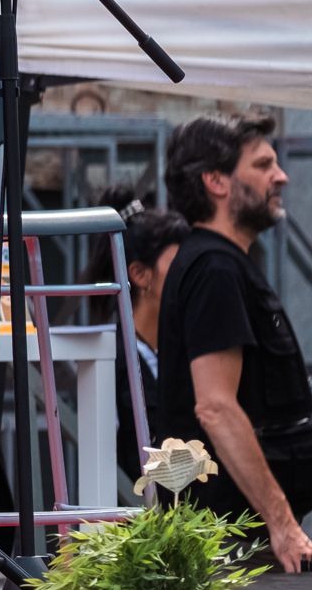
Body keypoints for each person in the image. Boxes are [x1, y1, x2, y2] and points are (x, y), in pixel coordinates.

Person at [156, 113, 312, 570]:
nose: (281, 176)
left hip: (243, 545)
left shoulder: (221, 263)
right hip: (233, 552)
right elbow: (216, 407)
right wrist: (281, 524)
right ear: (216, 182)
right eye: (263, 165)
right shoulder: (214, 270)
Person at [85, 190, 191, 487]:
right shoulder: (111, 360)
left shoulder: (187, 349)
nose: (191, 276)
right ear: (141, 275)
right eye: (179, 265)